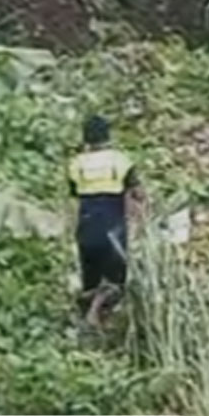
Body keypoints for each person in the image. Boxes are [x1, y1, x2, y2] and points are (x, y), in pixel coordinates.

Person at [68, 115, 140, 322]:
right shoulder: (121, 161)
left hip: (86, 228)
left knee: (90, 278)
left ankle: (87, 306)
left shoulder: (76, 164)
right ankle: (97, 317)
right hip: (113, 230)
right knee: (116, 282)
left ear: (85, 138)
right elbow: (137, 192)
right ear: (109, 136)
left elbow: (74, 195)